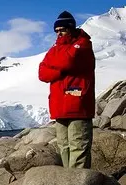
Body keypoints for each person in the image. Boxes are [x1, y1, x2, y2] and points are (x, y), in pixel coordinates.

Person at [39, 11, 96, 169]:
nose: (59, 33)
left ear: (71, 28)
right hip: (59, 106)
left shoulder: (83, 44)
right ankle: (68, 184)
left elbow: (69, 61)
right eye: (57, 31)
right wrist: (59, 71)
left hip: (78, 105)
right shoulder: (55, 48)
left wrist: (55, 66)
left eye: (62, 29)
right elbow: (42, 73)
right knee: (64, 147)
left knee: (79, 147)